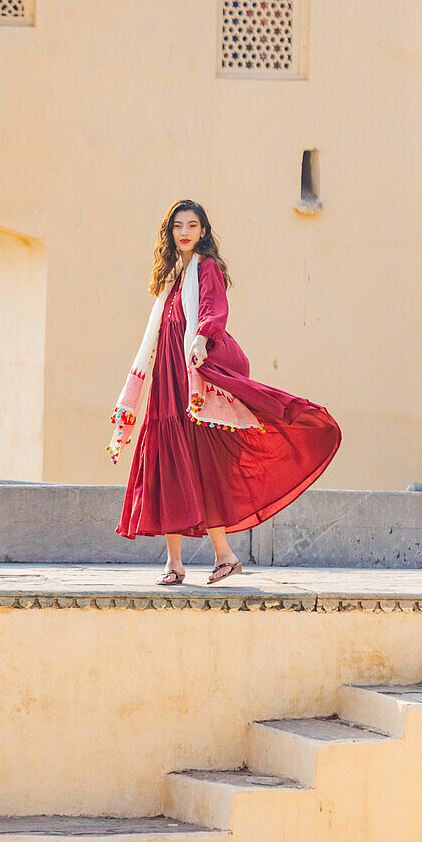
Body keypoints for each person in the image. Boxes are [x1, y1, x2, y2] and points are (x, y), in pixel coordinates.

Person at [109, 198, 342, 585]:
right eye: (178, 226)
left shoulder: (207, 268)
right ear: (170, 233)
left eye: (192, 226)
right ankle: (174, 563)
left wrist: (202, 339)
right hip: (165, 384)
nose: (185, 232)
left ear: (203, 232)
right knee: (169, 465)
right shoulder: (171, 280)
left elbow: (214, 309)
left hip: (191, 383)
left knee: (200, 465)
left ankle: (224, 554)